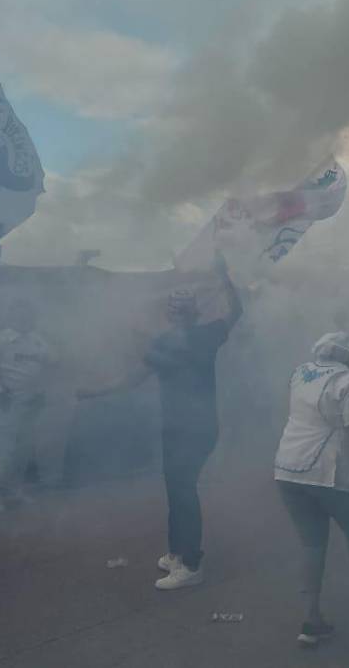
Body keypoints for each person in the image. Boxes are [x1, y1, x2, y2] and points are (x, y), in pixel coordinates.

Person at [81, 253, 242, 590]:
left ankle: (191, 564)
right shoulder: (193, 336)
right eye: (176, 310)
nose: (177, 315)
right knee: (176, 489)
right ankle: (176, 552)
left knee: (183, 492)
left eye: (180, 311)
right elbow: (236, 311)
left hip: (194, 431)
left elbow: (130, 380)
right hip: (180, 429)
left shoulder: (183, 339)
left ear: (184, 313)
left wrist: (93, 391)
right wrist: (225, 276)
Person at [275, 332, 349, 647]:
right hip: (326, 471)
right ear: (348, 356)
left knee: (311, 544)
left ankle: (311, 619)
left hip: (287, 469)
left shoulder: (300, 372)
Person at [0, 299, 57, 513]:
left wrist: (42, 392)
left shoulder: (38, 340)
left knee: (24, 448)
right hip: (8, 401)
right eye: (20, 314)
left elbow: (53, 363)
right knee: (4, 449)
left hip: (33, 403)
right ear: (12, 316)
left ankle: (15, 490)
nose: (25, 318)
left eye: (29, 314)